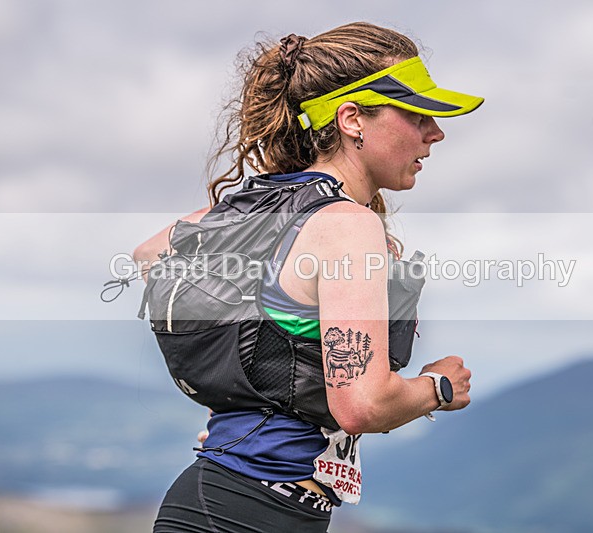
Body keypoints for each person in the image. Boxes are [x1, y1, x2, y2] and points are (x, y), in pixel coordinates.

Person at [134, 21, 482, 533]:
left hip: (225, 500)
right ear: (351, 119)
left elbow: (150, 253)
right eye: (416, 113)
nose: (436, 131)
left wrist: (242, 389)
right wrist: (439, 387)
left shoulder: (270, 207)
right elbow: (362, 406)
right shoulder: (346, 226)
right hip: (247, 513)